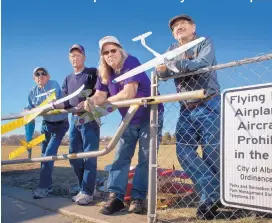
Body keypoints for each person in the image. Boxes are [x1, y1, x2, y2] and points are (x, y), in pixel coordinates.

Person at [79, 36, 164, 215]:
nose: (110, 55)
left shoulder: (131, 62)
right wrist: (91, 101)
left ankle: (138, 198)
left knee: (145, 159)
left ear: (120, 50)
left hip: (150, 116)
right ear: (102, 56)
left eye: (113, 50)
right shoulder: (105, 73)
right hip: (129, 119)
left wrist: (104, 103)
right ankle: (115, 197)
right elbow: (100, 95)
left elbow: (128, 93)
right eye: (105, 52)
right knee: (120, 158)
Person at [156, 14, 221, 220]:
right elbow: (162, 74)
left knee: (211, 153)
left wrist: (176, 66)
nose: (179, 28)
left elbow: (202, 63)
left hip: (208, 102)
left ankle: (209, 201)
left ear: (193, 27)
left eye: (183, 24)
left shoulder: (203, 42)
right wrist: (162, 70)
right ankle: (213, 191)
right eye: (175, 27)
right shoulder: (170, 51)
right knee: (183, 151)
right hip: (186, 108)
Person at [60, 44, 100, 205]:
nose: (75, 58)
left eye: (78, 55)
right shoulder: (68, 79)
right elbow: (64, 101)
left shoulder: (91, 73)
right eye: (72, 56)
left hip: (89, 117)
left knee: (89, 155)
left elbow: (100, 91)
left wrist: (88, 101)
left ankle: (87, 192)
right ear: (70, 59)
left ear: (84, 57)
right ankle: (87, 187)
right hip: (74, 118)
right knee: (73, 155)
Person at [26, 67, 69, 199]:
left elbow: (50, 102)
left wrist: (39, 108)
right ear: (34, 78)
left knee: (49, 154)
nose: (40, 76)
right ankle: (47, 185)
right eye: (37, 74)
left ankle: (43, 188)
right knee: (43, 155)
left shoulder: (53, 84)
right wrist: (26, 110)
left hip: (60, 124)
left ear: (48, 76)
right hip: (46, 126)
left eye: (43, 73)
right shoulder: (32, 92)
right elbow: (30, 107)